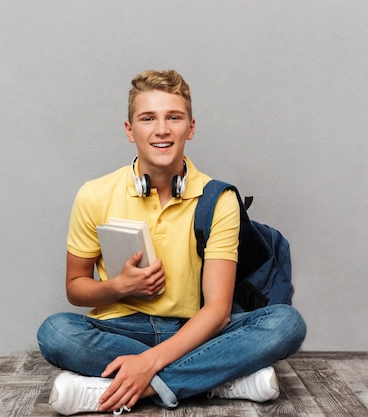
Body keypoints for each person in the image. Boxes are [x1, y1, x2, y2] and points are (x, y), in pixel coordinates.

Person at [36, 69, 306, 415]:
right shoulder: (94, 194)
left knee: (286, 323)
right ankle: (220, 379)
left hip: (197, 331)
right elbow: (76, 288)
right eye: (148, 118)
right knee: (56, 332)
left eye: (173, 117)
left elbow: (218, 311)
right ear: (129, 130)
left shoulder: (218, 199)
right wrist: (118, 287)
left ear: (190, 128)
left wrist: (149, 363)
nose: (161, 129)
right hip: (122, 328)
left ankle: (128, 388)